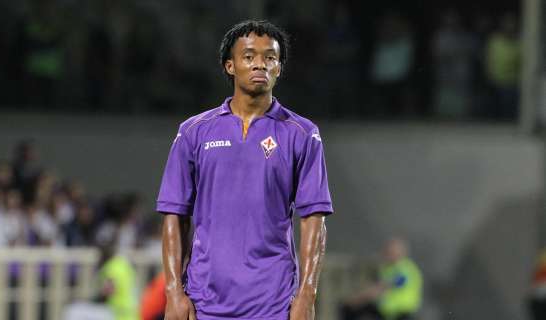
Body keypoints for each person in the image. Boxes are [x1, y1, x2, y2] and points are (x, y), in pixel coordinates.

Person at [157, 20, 333, 320]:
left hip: (273, 305)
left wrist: (307, 294)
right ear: (230, 65)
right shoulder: (194, 132)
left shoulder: (303, 134)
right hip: (205, 303)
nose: (260, 64)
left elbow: (313, 220)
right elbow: (174, 215)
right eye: (249, 56)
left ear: (279, 68)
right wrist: (174, 291)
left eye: (270, 58)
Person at [340, 238, 422, 320]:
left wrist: (356, 299)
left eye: (391, 252)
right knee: (348, 309)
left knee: (351, 307)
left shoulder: (405, 269)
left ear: (401, 253)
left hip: (401, 313)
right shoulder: (386, 268)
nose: (387, 254)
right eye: (387, 251)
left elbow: (381, 288)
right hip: (386, 312)